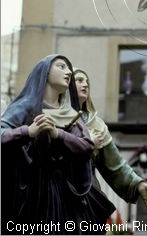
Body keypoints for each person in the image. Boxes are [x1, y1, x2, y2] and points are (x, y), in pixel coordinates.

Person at [1, 55, 114, 235]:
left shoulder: (70, 113)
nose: (68, 71)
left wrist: (58, 134)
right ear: (45, 73)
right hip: (33, 192)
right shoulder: (25, 107)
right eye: (61, 66)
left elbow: (86, 145)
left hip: (66, 191)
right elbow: (2, 133)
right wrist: (28, 132)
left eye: (68, 68)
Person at [74, 69, 147, 208]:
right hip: (58, 189)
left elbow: (115, 165)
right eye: (79, 80)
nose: (85, 85)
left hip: (88, 194)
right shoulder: (54, 117)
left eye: (87, 81)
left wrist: (138, 183)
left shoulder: (97, 125)